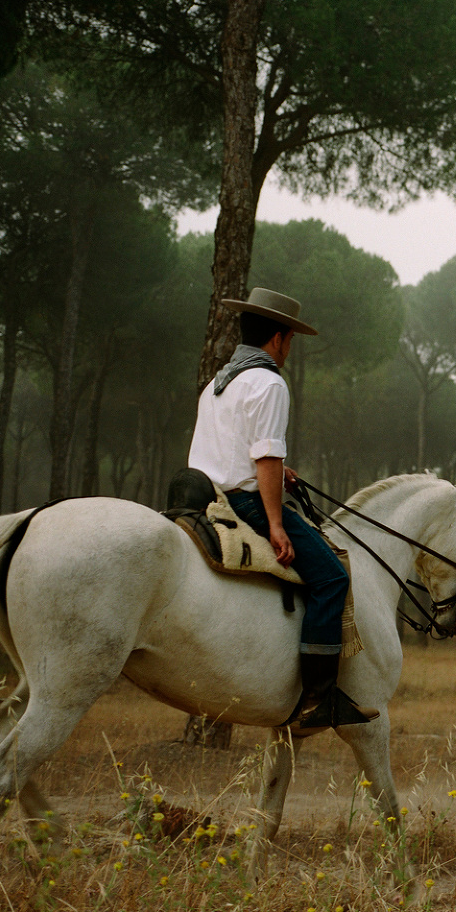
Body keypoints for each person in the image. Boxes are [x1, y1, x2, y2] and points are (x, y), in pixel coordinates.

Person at [188, 287, 377, 730]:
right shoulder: (269, 382)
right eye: (290, 340)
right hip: (244, 503)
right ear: (278, 338)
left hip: (204, 495)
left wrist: (276, 470)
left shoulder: (220, 381)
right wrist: (275, 524)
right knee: (332, 576)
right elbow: (266, 458)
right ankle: (317, 699)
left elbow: (234, 450)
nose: (289, 349)